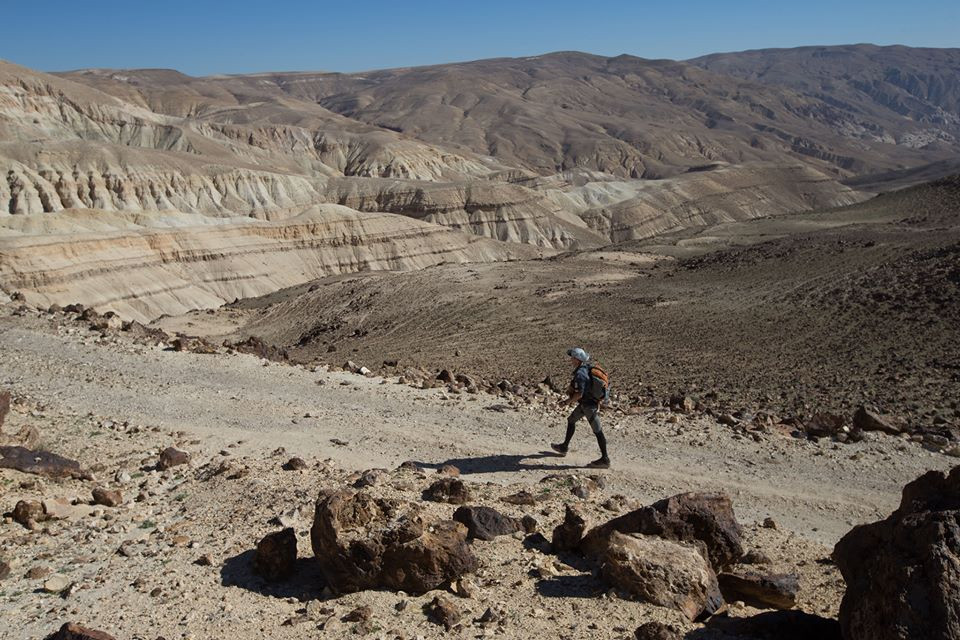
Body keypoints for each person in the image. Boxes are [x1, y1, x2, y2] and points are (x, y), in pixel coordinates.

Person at [551, 347, 610, 469]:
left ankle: (605, 459)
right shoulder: (586, 368)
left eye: (572, 357)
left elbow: (579, 394)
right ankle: (564, 447)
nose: (571, 360)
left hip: (589, 406)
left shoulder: (580, 373)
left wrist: (567, 402)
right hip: (585, 404)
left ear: (577, 359)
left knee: (598, 431)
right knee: (571, 420)